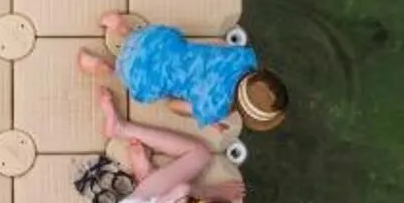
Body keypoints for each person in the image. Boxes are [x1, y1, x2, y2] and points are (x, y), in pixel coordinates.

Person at [86, 89, 247, 203]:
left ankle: (122, 130)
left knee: (199, 154)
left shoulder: (182, 196)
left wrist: (218, 191)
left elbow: (193, 193)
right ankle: (146, 173)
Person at [78, 10, 287, 134]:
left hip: (158, 39)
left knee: (155, 46)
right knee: (140, 82)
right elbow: (173, 105)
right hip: (143, 73)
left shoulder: (243, 58)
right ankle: (103, 66)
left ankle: (120, 27)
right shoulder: (215, 108)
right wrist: (207, 117)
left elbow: (216, 54)